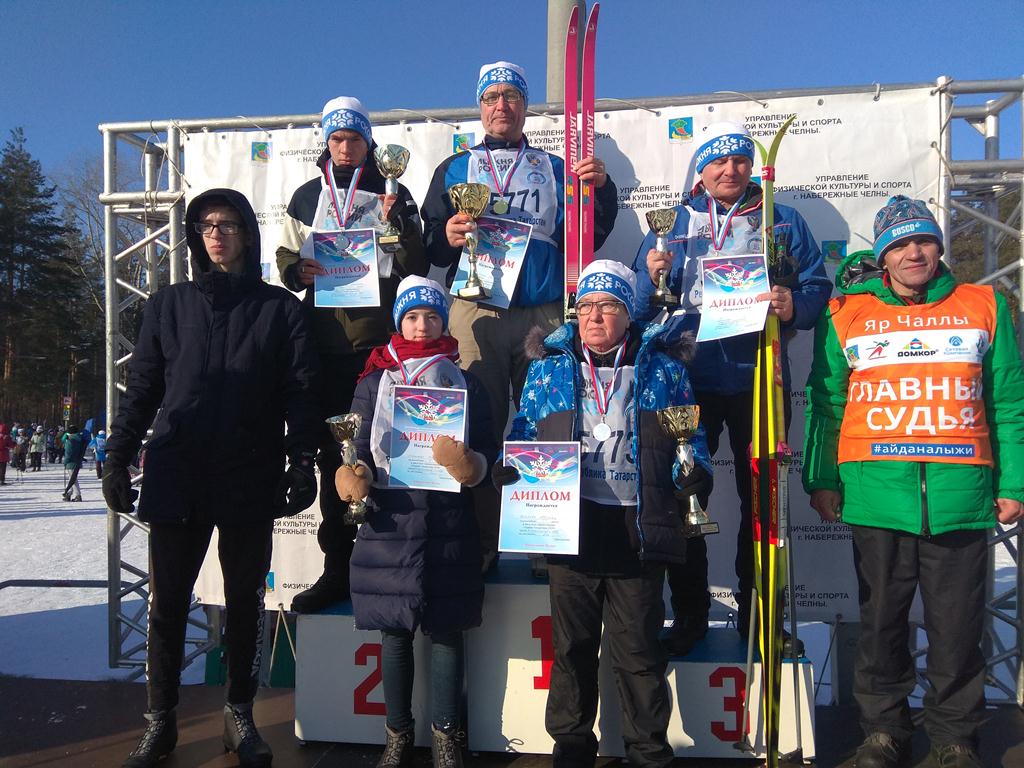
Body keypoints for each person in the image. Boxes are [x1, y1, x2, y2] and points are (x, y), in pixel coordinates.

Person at [802, 196, 1024, 768]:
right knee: (881, 627)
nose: (913, 253)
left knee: (957, 629)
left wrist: (1015, 482)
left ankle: (955, 738)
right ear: (883, 257)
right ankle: (884, 733)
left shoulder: (984, 304)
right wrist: (821, 478)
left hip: (959, 496)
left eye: (923, 240)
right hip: (876, 496)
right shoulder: (846, 313)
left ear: (939, 247)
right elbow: (827, 403)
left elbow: (1008, 402)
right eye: (899, 245)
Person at [104, 188, 321, 768]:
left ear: (247, 232)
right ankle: (160, 722)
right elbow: (143, 388)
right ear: (196, 237)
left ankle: (239, 715)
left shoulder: (280, 309)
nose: (217, 234)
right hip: (178, 469)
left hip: (248, 469)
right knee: (169, 604)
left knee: (245, 600)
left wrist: (302, 461)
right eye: (206, 225)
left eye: (227, 224)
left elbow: (300, 393)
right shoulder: (168, 305)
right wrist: (117, 455)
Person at [501, 260, 711, 768]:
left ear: (628, 312)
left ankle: (648, 753)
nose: (595, 316)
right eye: (587, 305)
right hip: (570, 528)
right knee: (571, 651)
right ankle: (571, 749)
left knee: (638, 654)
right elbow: (525, 431)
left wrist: (694, 472)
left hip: (637, 529)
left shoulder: (663, 369)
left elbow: (694, 438)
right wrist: (514, 470)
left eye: (609, 305)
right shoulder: (548, 368)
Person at [631, 121, 831, 654]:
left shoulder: (780, 219)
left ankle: (761, 618)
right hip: (688, 377)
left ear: (752, 167)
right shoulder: (674, 222)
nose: (730, 170)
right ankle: (690, 613)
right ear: (701, 171)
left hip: (757, 374)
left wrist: (794, 304)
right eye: (718, 162)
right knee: (686, 494)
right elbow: (640, 304)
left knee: (764, 500)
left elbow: (816, 285)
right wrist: (651, 276)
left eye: (740, 160)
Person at [421, 61, 618, 568]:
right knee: (475, 423)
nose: (501, 105)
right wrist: (445, 236)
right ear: (480, 107)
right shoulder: (455, 167)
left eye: (511, 96)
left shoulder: (554, 166)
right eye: (491, 97)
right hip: (478, 310)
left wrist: (601, 189)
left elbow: (590, 236)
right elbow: (431, 245)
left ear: (525, 106)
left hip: (543, 310)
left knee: (548, 423)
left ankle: (540, 538)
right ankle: (483, 541)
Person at [335, 274, 495, 768]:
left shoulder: (466, 382)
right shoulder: (373, 381)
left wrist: (472, 465)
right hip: (390, 523)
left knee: (447, 632)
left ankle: (447, 736)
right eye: (411, 316)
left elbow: (487, 449)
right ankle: (397, 735)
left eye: (430, 316)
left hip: (448, 522)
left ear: (444, 322)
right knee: (394, 633)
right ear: (398, 321)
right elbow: (356, 447)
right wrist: (354, 475)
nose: (421, 326)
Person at [277, 96, 428, 614]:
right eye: (337, 139)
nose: (345, 148)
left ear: (369, 142)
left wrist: (398, 225)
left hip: (379, 349)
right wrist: (295, 270)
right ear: (327, 142)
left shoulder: (393, 190)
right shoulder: (305, 195)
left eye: (355, 138)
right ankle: (336, 568)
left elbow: (417, 265)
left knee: (390, 455)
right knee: (334, 461)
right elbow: (286, 252)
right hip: (324, 348)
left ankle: (394, 564)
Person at [61, 425, 85, 500]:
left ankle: (78, 495)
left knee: (73, 479)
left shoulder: (70, 440)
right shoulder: (79, 439)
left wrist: (65, 462)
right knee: (72, 478)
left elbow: (69, 453)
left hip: (71, 463)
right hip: (77, 461)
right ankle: (69, 493)